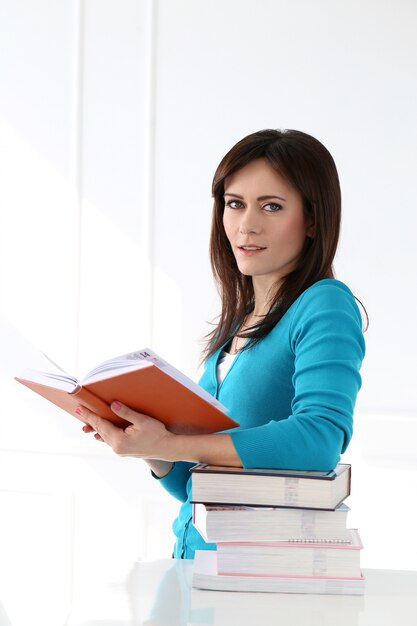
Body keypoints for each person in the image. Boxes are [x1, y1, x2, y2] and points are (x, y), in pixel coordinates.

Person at [78, 129, 366, 559]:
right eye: (235, 204)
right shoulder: (239, 323)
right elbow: (195, 484)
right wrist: (149, 448)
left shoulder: (325, 304)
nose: (246, 224)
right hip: (196, 561)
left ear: (311, 220)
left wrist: (170, 445)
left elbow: (320, 438)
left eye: (272, 206)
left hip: (261, 577)